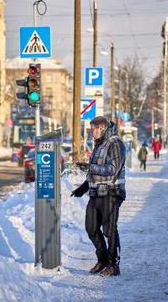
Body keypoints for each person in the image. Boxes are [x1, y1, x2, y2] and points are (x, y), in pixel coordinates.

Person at [71, 116, 126, 277]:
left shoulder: (115, 144)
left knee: (109, 229)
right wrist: (83, 188)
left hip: (112, 192)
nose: (92, 132)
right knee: (91, 228)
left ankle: (114, 265)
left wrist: (90, 166)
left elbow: (112, 169)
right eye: (92, 129)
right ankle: (103, 260)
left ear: (105, 129)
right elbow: (93, 173)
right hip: (96, 193)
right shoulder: (99, 145)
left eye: (96, 129)